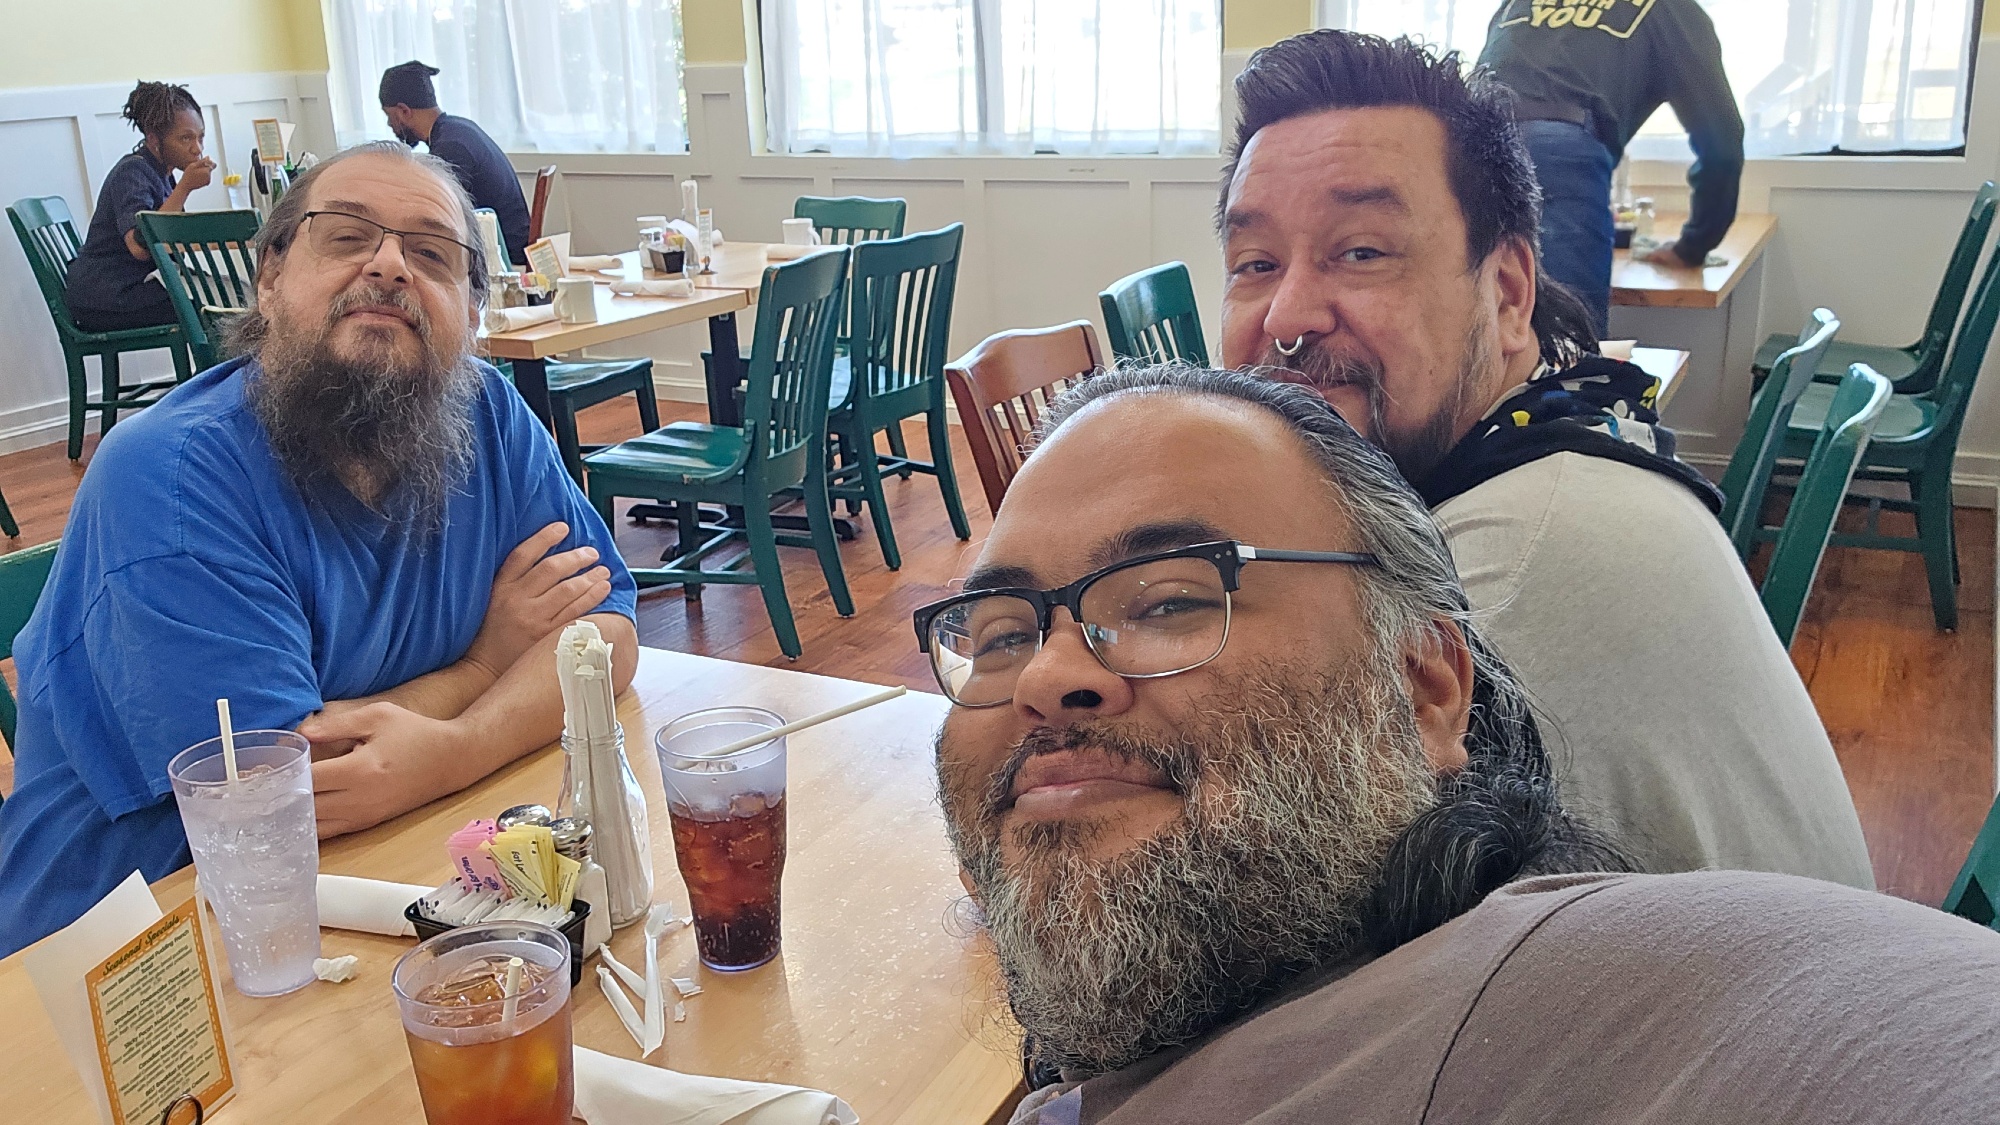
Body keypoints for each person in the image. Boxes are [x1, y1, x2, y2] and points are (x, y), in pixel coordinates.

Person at [919, 366, 2000, 1124]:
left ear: (1426, 688)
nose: (1048, 676)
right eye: (1003, 632)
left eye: (1169, 599)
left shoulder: (1571, 989)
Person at [1215, 31, 1873, 888]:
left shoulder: (1492, 582)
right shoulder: (1568, 438)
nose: (1286, 316)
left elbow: (1265, 907)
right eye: (1256, 263)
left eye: (1362, 251)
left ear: (1508, 293)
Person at [0, 141, 638, 957]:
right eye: (346, 237)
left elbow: (604, 639)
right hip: (142, 938)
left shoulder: (490, 416)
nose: (390, 265)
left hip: (399, 873)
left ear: (474, 313)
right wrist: (486, 666)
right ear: (269, 277)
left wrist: (454, 749)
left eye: (432, 255)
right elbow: (284, 792)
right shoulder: (170, 479)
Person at [1479, 0, 1745, 334]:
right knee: (1567, 346)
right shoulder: (1670, 9)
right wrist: (1695, 246)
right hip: (1559, 152)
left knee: (1465, 333)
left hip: (1468, 140)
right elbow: (1721, 142)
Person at [62, 81, 218, 333]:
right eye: (185, 138)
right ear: (154, 138)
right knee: (216, 306)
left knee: (231, 293)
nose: (197, 149)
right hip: (110, 295)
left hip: (133, 287)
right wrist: (185, 188)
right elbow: (140, 247)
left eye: (200, 137)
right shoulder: (132, 172)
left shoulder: (163, 173)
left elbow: (167, 237)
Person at [380, 60, 531, 267]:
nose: (390, 124)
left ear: (403, 111)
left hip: (505, 258)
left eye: (389, 116)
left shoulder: (451, 147)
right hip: (513, 241)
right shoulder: (459, 129)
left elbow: (438, 213)